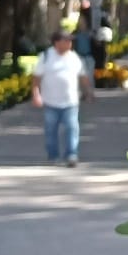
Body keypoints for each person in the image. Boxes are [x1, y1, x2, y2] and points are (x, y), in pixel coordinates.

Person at [31, 30, 93, 166]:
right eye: (66, 40)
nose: (69, 43)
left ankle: (71, 155)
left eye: (70, 41)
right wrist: (36, 94)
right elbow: (36, 78)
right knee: (50, 130)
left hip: (70, 102)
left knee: (72, 128)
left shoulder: (74, 57)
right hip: (50, 102)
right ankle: (53, 156)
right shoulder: (46, 56)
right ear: (56, 43)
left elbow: (83, 76)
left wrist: (88, 92)